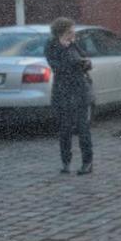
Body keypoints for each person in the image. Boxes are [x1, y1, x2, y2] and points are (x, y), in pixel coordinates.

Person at [45, 17, 93, 175]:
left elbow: (86, 61)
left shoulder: (74, 44)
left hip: (79, 90)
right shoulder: (52, 46)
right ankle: (66, 162)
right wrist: (68, 55)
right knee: (65, 129)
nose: (73, 34)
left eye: (73, 31)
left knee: (82, 128)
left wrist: (85, 63)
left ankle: (87, 162)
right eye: (70, 31)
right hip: (63, 91)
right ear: (62, 32)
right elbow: (57, 66)